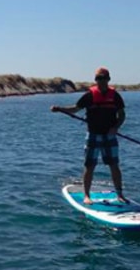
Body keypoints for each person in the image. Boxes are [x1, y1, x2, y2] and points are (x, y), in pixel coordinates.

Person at [50, 67, 127, 204]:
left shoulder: (115, 96)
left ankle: (120, 195)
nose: (101, 81)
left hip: (109, 136)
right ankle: (87, 195)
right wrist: (60, 109)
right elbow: (75, 109)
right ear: (95, 80)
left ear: (108, 79)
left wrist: (116, 127)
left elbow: (122, 115)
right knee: (90, 165)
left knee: (114, 165)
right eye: (98, 78)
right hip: (93, 135)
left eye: (103, 78)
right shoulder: (89, 95)